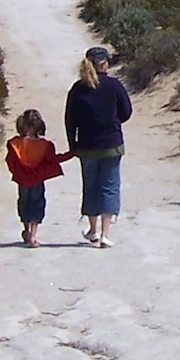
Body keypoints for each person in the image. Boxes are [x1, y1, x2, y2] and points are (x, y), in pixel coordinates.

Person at [63, 45, 130, 247]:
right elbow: (126, 112)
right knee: (110, 186)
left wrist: (72, 144)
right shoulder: (114, 85)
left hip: (86, 146)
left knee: (91, 186)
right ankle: (104, 234)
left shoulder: (77, 88)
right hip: (111, 144)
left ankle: (92, 230)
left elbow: (69, 120)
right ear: (104, 64)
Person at [5, 109, 73, 248]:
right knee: (37, 204)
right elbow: (54, 159)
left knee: (24, 203)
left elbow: (10, 162)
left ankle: (27, 230)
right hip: (37, 180)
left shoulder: (14, 144)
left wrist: (16, 173)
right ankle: (33, 236)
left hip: (22, 180)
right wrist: (72, 153)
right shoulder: (45, 146)